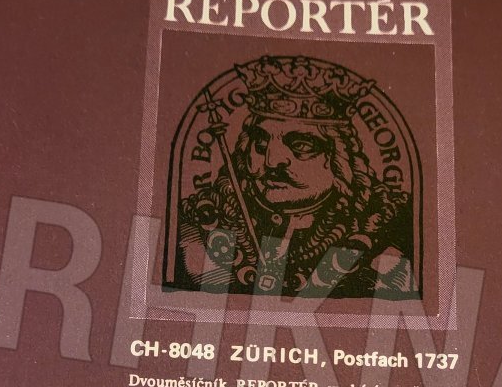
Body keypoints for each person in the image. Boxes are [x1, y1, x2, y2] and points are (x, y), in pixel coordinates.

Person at [171, 55, 418, 299]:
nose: (272, 161)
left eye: (301, 145)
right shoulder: (197, 226)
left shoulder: (387, 233)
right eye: (261, 143)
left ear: (340, 159)